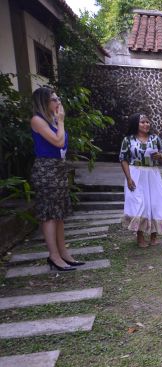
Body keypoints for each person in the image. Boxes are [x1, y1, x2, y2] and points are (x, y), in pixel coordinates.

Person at [29, 87, 83, 271]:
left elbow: (62, 144)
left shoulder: (53, 120)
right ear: (43, 102)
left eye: (58, 98)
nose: (58, 102)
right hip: (46, 170)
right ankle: (53, 256)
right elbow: (58, 142)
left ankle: (63, 253)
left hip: (58, 169)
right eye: (53, 99)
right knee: (50, 215)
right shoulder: (38, 120)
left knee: (59, 214)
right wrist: (61, 121)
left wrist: (59, 121)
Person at [119, 114, 162, 247]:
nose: (146, 124)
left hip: (152, 174)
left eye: (147, 122)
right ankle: (140, 236)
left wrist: (159, 155)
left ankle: (154, 236)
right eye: (142, 122)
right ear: (136, 124)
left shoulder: (155, 138)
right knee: (140, 205)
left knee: (155, 203)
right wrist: (129, 178)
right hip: (135, 173)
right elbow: (123, 159)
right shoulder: (128, 140)